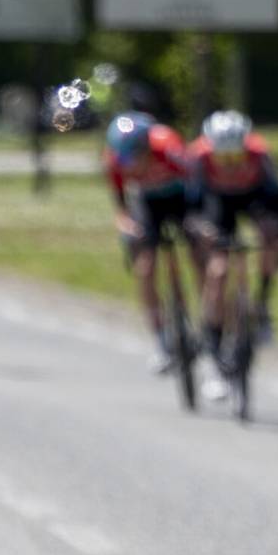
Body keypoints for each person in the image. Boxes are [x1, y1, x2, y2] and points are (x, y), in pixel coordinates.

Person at [103, 112, 201, 375]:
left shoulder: (169, 146)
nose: (131, 164)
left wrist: (198, 221)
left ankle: (209, 319)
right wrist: (125, 225)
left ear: (147, 147)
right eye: (124, 158)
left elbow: (199, 182)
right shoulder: (113, 160)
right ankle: (161, 340)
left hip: (181, 199)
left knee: (200, 247)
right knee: (144, 269)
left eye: (136, 156)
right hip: (148, 204)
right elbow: (120, 204)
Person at [190, 110, 278, 355]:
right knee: (219, 271)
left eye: (236, 156)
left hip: (253, 196)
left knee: (271, 237)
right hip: (218, 202)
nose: (231, 165)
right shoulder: (198, 156)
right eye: (223, 159)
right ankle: (212, 337)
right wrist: (201, 228)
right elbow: (192, 202)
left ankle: (262, 305)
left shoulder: (259, 154)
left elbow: (277, 197)